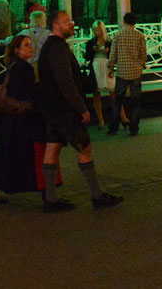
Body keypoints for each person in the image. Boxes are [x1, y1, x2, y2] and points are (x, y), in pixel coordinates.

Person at [36, 11, 123, 212]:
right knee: (84, 147)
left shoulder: (51, 48)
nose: (72, 24)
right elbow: (65, 81)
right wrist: (81, 108)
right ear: (56, 25)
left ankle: (50, 197)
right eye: (68, 22)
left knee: (53, 147)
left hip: (53, 108)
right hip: (65, 109)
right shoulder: (57, 49)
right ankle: (96, 195)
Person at [0, 35, 43, 203]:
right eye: (26, 45)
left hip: (12, 116)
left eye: (31, 45)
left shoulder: (13, 66)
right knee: (14, 152)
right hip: (20, 115)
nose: (30, 48)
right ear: (17, 50)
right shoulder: (24, 68)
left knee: (4, 151)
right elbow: (25, 91)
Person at [108, 12, 148, 137]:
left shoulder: (118, 35)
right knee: (136, 102)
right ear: (134, 23)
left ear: (124, 22)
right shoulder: (140, 36)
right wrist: (141, 64)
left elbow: (113, 54)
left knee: (118, 101)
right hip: (136, 71)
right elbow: (143, 54)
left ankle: (113, 128)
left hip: (122, 71)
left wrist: (110, 67)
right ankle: (133, 128)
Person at [83, 21, 113, 128]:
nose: (98, 32)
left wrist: (108, 52)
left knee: (112, 92)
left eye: (99, 29)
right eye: (95, 30)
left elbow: (113, 56)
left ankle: (120, 116)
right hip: (95, 66)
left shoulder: (109, 41)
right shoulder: (91, 42)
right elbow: (87, 57)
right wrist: (93, 50)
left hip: (106, 66)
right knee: (96, 93)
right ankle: (101, 119)